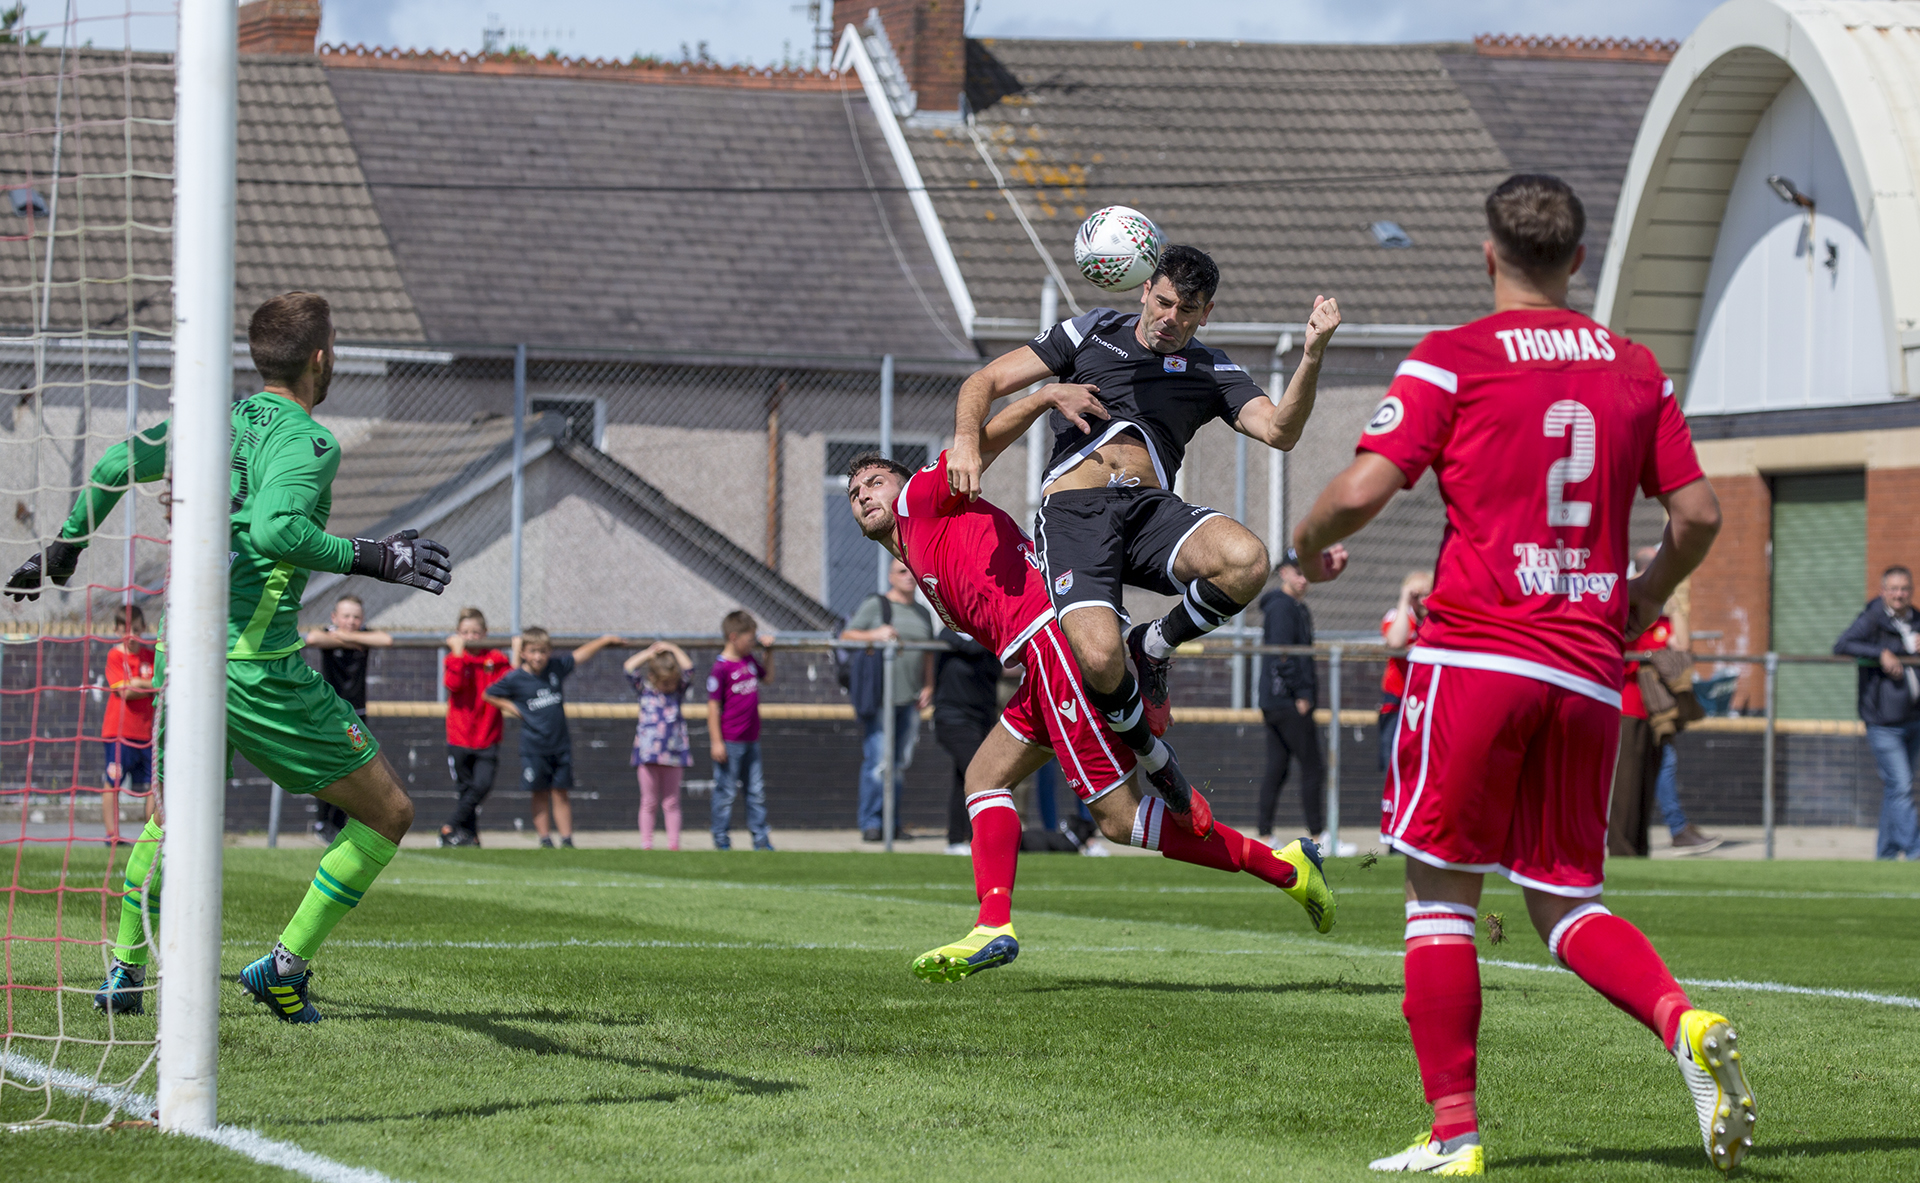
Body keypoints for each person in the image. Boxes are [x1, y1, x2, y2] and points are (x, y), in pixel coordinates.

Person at [1291, 174, 1752, 1173]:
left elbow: (1363, 488)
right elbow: (1700, 516)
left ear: (1488, 253)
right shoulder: (1636, 369)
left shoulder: (1457, 356)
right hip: (1589, 666)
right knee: (1568, 901)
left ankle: (1454, 1131)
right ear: (1578, 260)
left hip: (1474, 654)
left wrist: (1305, 536)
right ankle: (1681, 1021)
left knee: (1440, 898)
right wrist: (1641, 591)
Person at [7, 291, 453, 1023]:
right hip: (255, 666)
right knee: (389, 813)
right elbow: (278, 529)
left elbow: (119, 460)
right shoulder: (310, 441)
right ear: (321, 356)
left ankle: (124, 968)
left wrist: (67, 546)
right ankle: (282, 966)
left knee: (171, 818)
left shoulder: (221, 419)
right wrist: (377, 556)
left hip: (185, 653)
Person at [847, 437, 1335, 984]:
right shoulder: (918, 543)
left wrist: (1045, 392)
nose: (863, 494)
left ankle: (1280, 865)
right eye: (853, 491)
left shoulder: (920, 499)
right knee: (984, 778)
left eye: (874, 482)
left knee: (1119, 820)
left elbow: (979, 438)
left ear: (902, 483)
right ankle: (992, 924)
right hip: (1044, 661)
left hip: (1055, 647)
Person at [949, 246, 1343, 816]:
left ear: (1205, 313)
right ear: (1143, 291)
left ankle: (1153, 643)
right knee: (1100, 659)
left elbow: (1280, 430)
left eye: (1186, 310)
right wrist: (966, 442)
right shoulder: (1090, 332)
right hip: (1075, 515)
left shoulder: (1210, 367)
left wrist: (1312, 354)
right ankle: (1150, 755)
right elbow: (984, 380)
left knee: (1248, 560)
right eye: (1162, 302)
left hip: (1149, 512)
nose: (1170, 318)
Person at [485, 627, 624, 849]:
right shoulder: (516, 678)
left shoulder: (555, 669)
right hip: (534, 747)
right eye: (533, 651)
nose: (538, 656)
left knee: (561, 791)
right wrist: (515, 708)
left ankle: (567, 839)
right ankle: (544, 838)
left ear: (549, 652)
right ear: (523, 653)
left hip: (560, 744)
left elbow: (579, 655)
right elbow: (489, 694)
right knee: (539, 792)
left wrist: (604, 640)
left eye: (543, 651)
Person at [840, 559, 935, 841]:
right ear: (890, 577)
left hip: (910, 699)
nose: (909, 576)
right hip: (881, 698)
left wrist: (929, 685)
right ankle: (871, 823)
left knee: (899, 764)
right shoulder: (876, 605)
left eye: (912, 571)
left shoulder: (922, 613)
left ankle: (892, 823)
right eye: (902, 571)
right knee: (878, 762)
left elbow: (928, 653)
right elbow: (846, 636)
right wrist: (874, 634)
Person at [1834, 565, 1920, 860]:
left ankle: (1885, 854)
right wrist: (1882, 652)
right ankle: (1916, 851)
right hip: (1883, 721)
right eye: (1894, 589)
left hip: (1914, 718)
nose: (1899, 594)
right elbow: (1842, 644)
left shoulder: (1917, 619)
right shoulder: (1873, 618)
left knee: (1897, 788)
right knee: (1903, 785)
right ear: (1883, 591)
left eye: (1905, 588)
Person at [304, 594, 393, 842]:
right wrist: (347, 639)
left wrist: (348, 637)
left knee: (355, 766)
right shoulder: (327, 633)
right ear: (334, 617)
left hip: (356, 717)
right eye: (346, 616)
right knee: (330, 765)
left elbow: (385, 639)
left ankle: (341, 823)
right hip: (330, 716)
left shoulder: (356, 634)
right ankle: (324, 822)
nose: (351, 621)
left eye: (356, 617)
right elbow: (312, 638)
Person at [1255, 559, 1329, 848]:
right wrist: (1301, 693)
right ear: (1284, 572)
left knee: (1278, 766)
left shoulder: (1296, 607)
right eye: (1298, 572)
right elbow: (1282, 654)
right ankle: (1320, 835)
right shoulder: (1282, 607)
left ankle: (1264, 833)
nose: (1303, 579)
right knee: (1313, 766)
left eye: (1306, 573)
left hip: (1278, 701)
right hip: (1286, 701)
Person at [439, 607, 511, 847]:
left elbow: (511, 683)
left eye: (475, 632)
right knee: (465, 788)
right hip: (459, 736)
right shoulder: (453, 658)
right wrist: (458, 654)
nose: (470, 637)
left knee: (481, 785)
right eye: (465, 632)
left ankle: (450, 825)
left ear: (485, 633)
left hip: (487, 735)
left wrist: (518, 653)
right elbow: (454, 684)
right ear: (458, 633)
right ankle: (470, 836)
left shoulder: (496, 659)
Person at [706, 611, 776, 851]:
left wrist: (768, 653)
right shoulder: (721, 668)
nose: (752, 643)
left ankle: (761, 840)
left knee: (756, 793)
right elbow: (713, 708)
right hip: (731, 741)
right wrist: (717, 742)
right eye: (750, 639)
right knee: (725, 793)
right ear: (734, 637)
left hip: (751, 740)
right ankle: (721, 840)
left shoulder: (750, 661)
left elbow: (767, 678)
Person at [932, 628, 1003, 855]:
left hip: (982, 719)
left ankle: (955, 840)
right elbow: (970, 646)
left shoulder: (989, 638)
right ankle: (980, 838)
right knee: (979, 772)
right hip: (953, 718)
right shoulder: (949, 635)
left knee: (964, 777)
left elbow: (997, 668)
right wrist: (987, 641)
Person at [625, 640, 694, 851]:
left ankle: (674, 843)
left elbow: (689, 669)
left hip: (674, 754)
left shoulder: (677, 693)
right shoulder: (645, 691)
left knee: (671, 802)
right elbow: (629, 667)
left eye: (672, 682)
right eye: (665, 683)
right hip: (648, 754)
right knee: (649, 801)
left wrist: (673, 648)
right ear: (653, 678)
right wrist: (649, 653)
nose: (669, 687)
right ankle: (647, 843)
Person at [100, 603, 157, 847]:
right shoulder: (114, 656)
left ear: (144, 628)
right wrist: (143, 685)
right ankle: (112, 835)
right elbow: (124, 692)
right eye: (126, 631)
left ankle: (151, 833)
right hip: (118, 734)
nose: (131, 636)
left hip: (147, 734)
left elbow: (157, 685)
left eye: (135, 630)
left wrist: (138, 683)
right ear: (116, 630)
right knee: (112, 783)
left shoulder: (151, 656)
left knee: (154, 787)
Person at [1379, 570, 1433, 772]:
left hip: (1427, 698)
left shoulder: (1437, 621)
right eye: (1416, 596)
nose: (1421, 601)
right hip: (1398, 698)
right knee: (1391, 761)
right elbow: (1395, 641)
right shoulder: (1398, 616)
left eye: (1426, 595)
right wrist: (1404, 600)